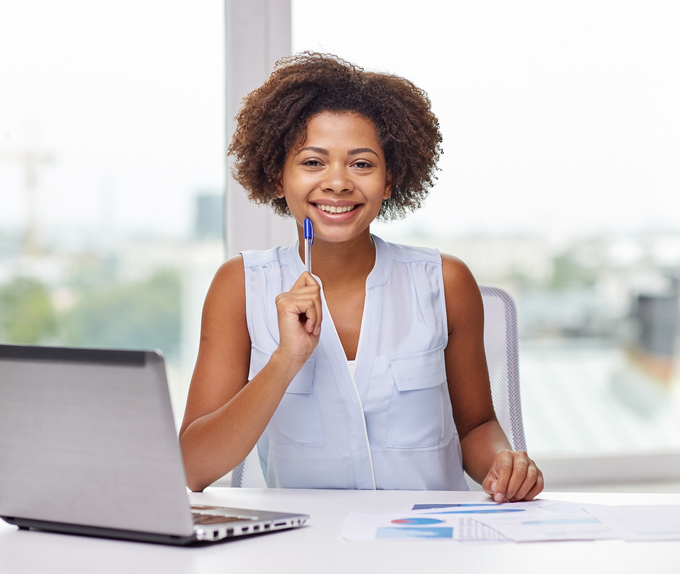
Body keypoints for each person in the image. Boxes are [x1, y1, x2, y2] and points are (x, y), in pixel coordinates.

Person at [179, 52, 544, 502]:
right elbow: (193, 468)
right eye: (313, 162)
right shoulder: (240, 285)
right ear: (278, 178)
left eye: (362, 164)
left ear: (389, 181)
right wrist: (284, 361)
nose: (337, 183)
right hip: (306, 549)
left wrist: (506, 466)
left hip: (430, 544)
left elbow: (475, 426)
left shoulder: (445, 282)